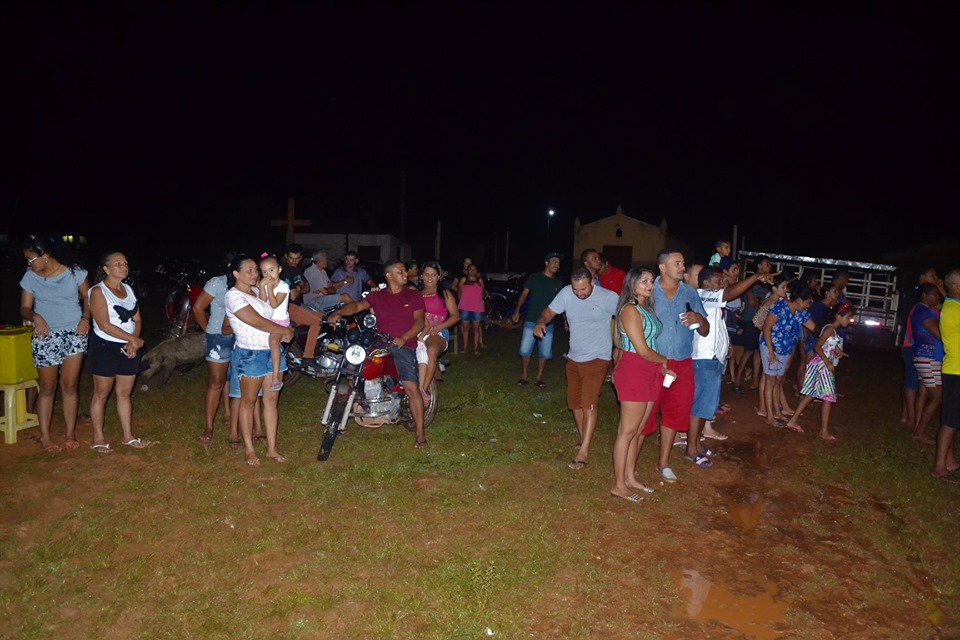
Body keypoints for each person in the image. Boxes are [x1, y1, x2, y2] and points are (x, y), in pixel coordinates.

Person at [328, 260, 428, 448]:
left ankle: (420, 433)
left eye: (405, 271)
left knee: (411, 387)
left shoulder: (413, 296)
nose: (405, 274)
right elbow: (356, 306)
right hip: (379, 343)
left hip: (403, 346)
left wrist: (403, 338)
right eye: (401, 271)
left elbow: (419, 322)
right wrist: (339, 313)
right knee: (351, 372)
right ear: (389, 275)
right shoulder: (378, 296)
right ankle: (341, 419)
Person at [534, 267, 619, 470]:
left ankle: (584, 452)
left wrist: (620, 352)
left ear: (592, 282)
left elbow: (628, 317)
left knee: (588, 403)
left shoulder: (608, 297)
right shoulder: (566, 293)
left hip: (598, 358)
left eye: (583, 289)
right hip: (574, 357)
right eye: (575, 289)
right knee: (575, 403)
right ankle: (584, 438)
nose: (579, 293)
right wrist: (541, 321)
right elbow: (549, 311)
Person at [687, 265, 773, 459]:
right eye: (718, 280)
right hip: (704, 357)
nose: (721, 284)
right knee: (700, 405)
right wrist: (756, 276)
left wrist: (726, 344)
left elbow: (718, 323)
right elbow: (730, 293)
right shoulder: (703, 294)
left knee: (707, 406)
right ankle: (691, 448)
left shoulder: (711, 300)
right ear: (706, 283)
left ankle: (697, 444)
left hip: (713, 357)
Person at [19, 235, 91, 453]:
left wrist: (85, 319)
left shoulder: (74, 272)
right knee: (47, 388)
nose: (29, 264)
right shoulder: (30, 277)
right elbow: (24, 308)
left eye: (31, 259)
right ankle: (45, 437)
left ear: (45, 255)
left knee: (69, 386)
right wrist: (35, 317)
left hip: (74, 332)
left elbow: (89, 298)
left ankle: (70, 432)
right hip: (45, 335)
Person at [644, 249, 709, 483]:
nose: (683, 267)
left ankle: (664, 463)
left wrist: (700, 320)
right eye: (677, 263)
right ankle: (629, 461)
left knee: (673, 413)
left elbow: (705, 330)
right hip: (652, 361)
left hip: (682, 363)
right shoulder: (648, 291)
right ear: (662, 267)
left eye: (683, 262)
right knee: (644, 413)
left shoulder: (690, 293)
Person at [224, 255, 296, 466]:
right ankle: (249, 449)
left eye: (256, 269)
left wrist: (286, 328)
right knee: (248, 402)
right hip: (251, 354)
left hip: (272, 352)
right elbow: (257, 322)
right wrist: (285, 330)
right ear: (236, 274)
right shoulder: (233, 296)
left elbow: (276, 311)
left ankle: (272, 449)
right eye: (249, 270)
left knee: (271, 401)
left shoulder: (257, 291)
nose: (255, 274)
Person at [610, 267, 670, 503]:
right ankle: (618, 485)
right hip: (634, 369)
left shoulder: (646, 308)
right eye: (643, 281)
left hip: (649, 370)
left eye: (651, 281)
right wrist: (664, 360)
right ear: (632, 284)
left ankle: (630, 477)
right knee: (627, 431)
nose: (649, 285)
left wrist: (660, 365)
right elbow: (642, 349)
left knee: (638, 430)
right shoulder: (630, 310)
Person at [87, 251, 149, 452]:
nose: (124, 266)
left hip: (129, 346)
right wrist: (132, 339)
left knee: (124, 392)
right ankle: (98, 438)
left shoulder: (128, 289)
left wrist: (132, 343)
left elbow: (137, 320)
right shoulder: (98, 292)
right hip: (106, 346)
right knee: (101, 392)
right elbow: (103, 325)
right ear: (106, 269)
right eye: (118, 264)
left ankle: (128, 436)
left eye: (125, 263)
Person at [783, 303, 855, 441]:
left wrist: (836, 350)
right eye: (848, 317)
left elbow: (827, 345)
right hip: (822, 366)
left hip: (821, 364)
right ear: (839, 315)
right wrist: (827, 362)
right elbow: (817, 346)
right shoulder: (829, 329)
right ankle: (823, 431)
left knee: (811, 394)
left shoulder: (832, 330)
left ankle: (793, 420)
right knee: (827, 397)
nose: (849, 320)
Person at [193, 255, 240, 445]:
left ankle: (229, 411)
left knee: (233, 376)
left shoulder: (251, 287)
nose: (252, 273)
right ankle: (209, 426)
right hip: (218, 338)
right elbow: (198, 308)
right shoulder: (218, 283)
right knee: (217, 381)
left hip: (241, 338)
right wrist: (209, 331)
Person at [760, 281, 818, 428]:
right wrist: (771, 352)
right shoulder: (780, 307)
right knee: (771, 381)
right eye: (807, 302)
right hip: (770, 346)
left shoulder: (800, 312)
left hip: (784, 349)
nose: (808, 305)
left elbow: (815, 328)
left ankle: (777, 413)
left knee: (778, 380)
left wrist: (830, 333)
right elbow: (766, 328)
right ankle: (770, 416)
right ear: (799, 300)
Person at [898, 267, 944, 429]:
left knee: (921, 389)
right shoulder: (918, 304)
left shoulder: (931, 308)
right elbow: (939, 332)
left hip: (927, 353)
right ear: (922, 276)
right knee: (913, 382)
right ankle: (912, 421)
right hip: (920, 351)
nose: (936, 277)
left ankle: (913, 421)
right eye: (933, 275)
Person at [512, 252, 563, 387]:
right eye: (554, 262)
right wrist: (517, 310)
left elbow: (562, 303)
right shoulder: (534, 277)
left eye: (558, 263)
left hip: (548, 323)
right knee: (525, 350)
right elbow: (524, 294)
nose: (556, 265)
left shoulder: (558, 282)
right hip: (531, 319)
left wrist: (566, 319)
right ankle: (525, 376)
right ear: (546, 263)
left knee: (545, 352)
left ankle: (539, 378)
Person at [417, 261, 459, 401]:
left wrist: (438, 328)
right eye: (427, 274)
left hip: (438, 332)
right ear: (421, 276)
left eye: (433, 275)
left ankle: (423, 390)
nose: (430, 278)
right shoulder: (416, 295)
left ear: (439, 276)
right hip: (418, 331)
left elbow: (455, 317)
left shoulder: (445, 294)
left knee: (432, 350)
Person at [932, 269, 960, 482]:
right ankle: (940, 467)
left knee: (954, 419)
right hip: (955, 370)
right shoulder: (952, 309)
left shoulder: (953, 307)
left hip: (955, 368)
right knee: (950, 420)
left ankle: (949, 461)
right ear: (955, 286)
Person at [282, 245, 327, 371]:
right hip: (288, 307)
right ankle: (308, 357)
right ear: (286, 257)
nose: (293, 261)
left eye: (296, 258)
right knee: (317, 321)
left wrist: (299, 287)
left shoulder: (297, 270)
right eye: (291, 258)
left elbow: (307, 288)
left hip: (298, 305)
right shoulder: (284, 271)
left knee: (323, 317)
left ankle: (320, 350)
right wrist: (300, 287)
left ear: (300, 258)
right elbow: (293, 295)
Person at [732, 255, 773, 393]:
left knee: (757, 351)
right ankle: (737, 380)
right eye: (766, 264)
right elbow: (752, 302)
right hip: (750, 320)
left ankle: (755, 380)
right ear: (759, 266)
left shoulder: (766, 283)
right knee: (749, 351)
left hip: (760, 321)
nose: (769, 266)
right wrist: (765, 302)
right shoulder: (752, 282)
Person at [910, 283, 944, 445]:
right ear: (924, 295)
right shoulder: (923, 311)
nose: (936, 298)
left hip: (924, 356)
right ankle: (919, 432)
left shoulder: (924, 310)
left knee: (923, 393)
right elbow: (938, 334)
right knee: (937, 397)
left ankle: (917, 428)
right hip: (928, 358)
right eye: (934, 295)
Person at [257, 254, 291, 392]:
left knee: (273, 342)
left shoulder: (284, 286)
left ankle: (276, 376)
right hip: (267, 320)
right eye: (264, 272)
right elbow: (262, 302)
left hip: (279, 322)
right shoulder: (264, 284)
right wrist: (262, 288)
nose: (268, 274)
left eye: (271, 270)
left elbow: (275, 304)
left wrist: (269, 288)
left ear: (279, 269)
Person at [457, 263, 486, 355]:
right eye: (470, 269)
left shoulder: (480, 280)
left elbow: (482, 292)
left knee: (476, 329)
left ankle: (476, 349)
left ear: (476, 271)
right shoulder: (464, 280)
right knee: (465, 328)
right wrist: (463, 302)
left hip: (477, 308)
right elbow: (459, 291)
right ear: (467, 271)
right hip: (465, 307)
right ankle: (465, 348)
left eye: (474, 269)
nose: (472, 271)